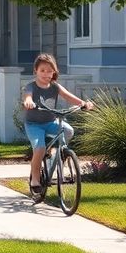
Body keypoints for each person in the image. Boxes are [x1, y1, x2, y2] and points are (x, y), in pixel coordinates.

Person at [23, 53, 94, 197]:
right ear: (35, 70)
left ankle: (58, 153)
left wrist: (83, 104)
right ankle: (35, 177)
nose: (46, 74)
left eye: (49, 70)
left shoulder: (55, 87)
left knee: (68, 130)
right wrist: (28, 102)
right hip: (34, 125)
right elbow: (28, 96)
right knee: (40, 147)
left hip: (50, 122)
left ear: (54, 72)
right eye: (42, 70)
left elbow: (68, 96)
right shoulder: (30, 87)